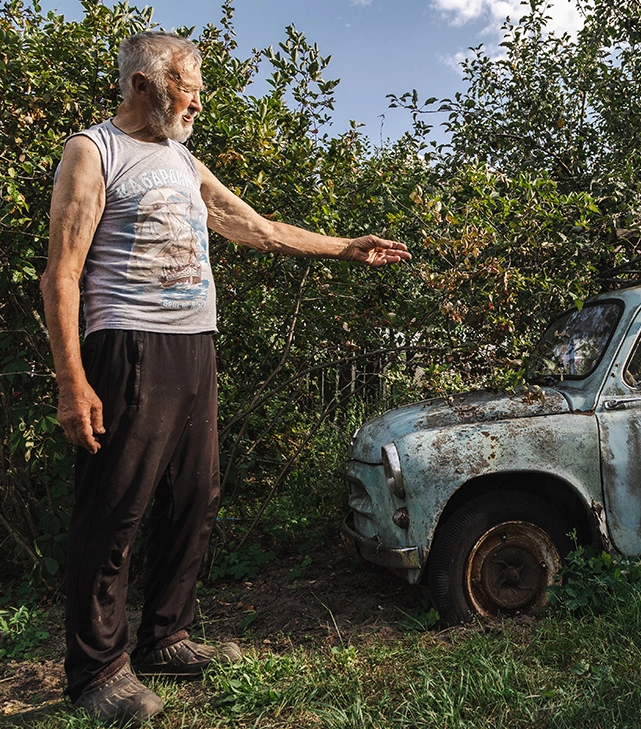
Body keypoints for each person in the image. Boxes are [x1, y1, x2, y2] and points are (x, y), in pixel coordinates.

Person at [40, 31, 410, 725]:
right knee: (115, 505)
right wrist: (72, 379)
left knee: (194, 497)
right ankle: (98, 669)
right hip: (129, 345)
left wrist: (345, 247)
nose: (199, 101)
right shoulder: (93, 151)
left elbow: (256, 226)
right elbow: (61, 271)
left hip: (194, 348)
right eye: (190, 86)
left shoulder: (181, 158)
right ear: (145, 85)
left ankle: (166, 637)